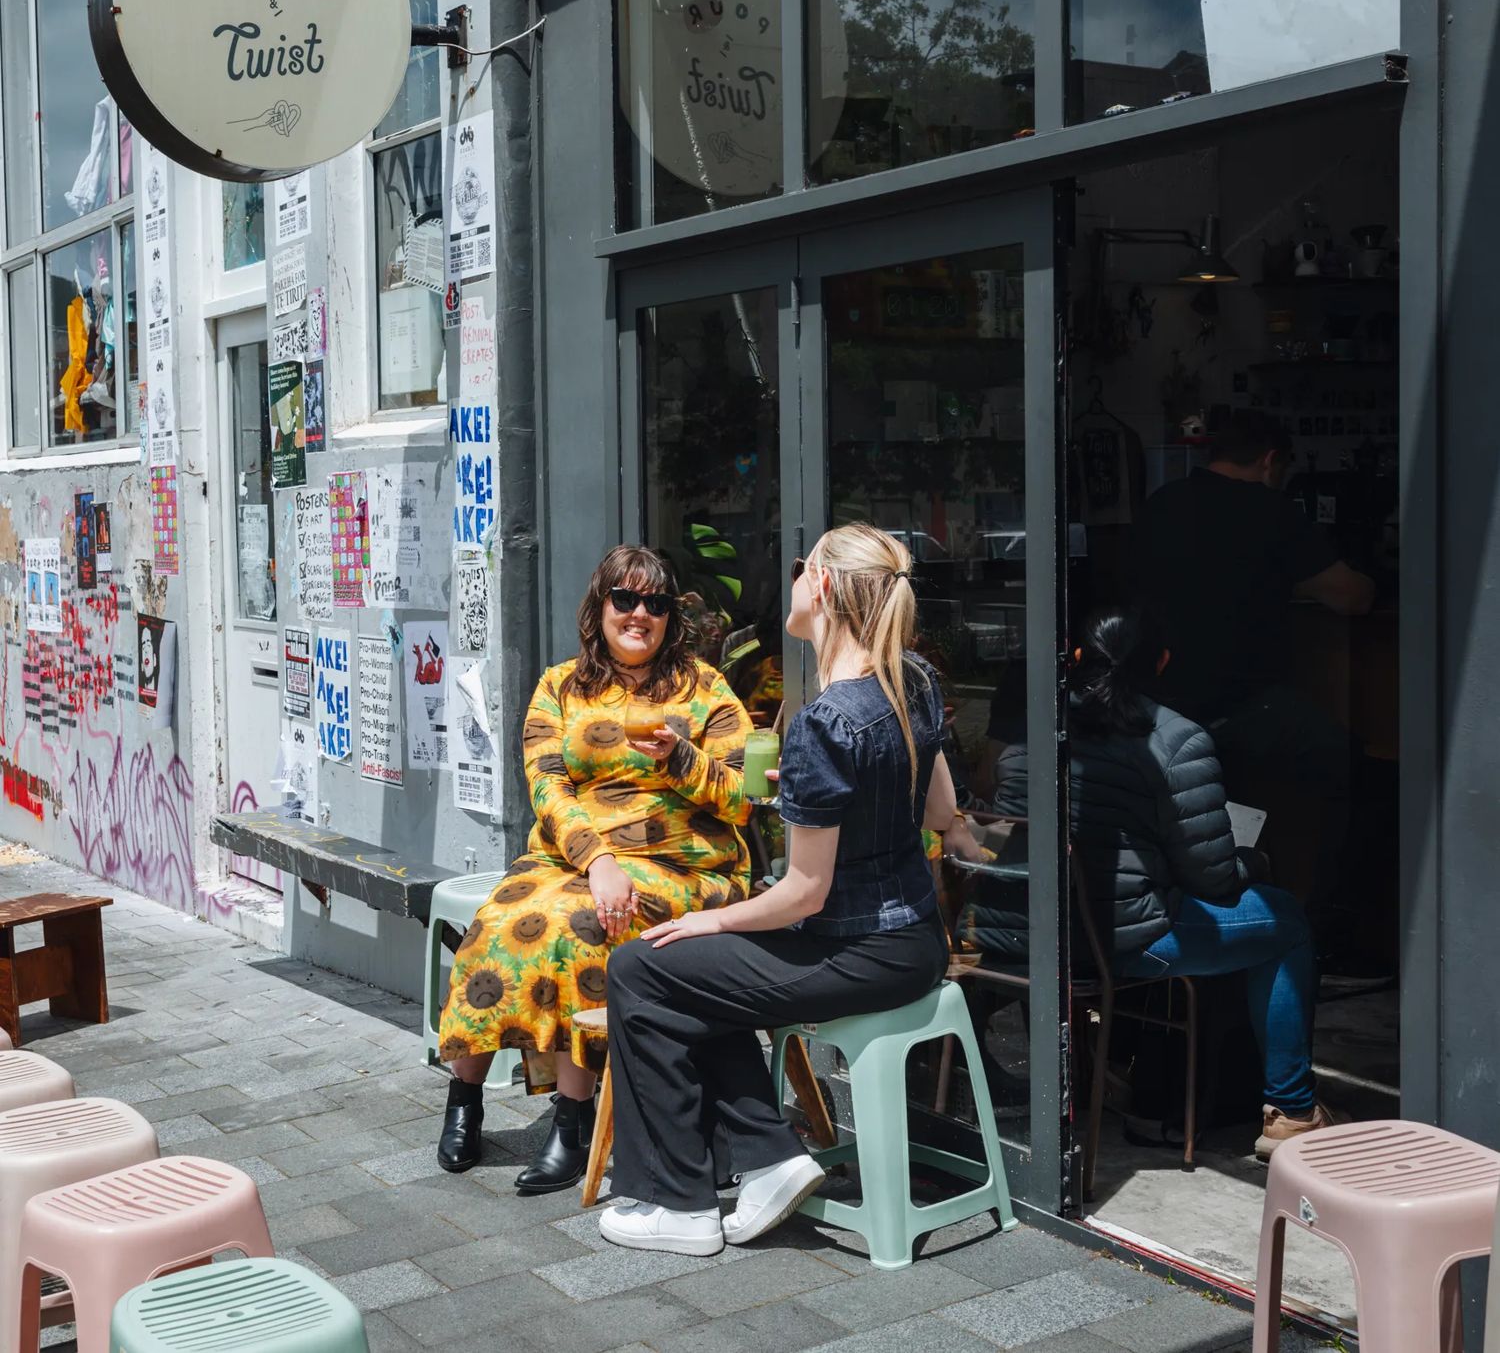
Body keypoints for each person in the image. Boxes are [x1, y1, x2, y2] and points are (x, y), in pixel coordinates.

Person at [596, 524, 956, 1258]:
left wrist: (716, 922)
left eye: (800, 567)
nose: (792, 579)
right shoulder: (911, 680)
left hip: (856, 946)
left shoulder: (824, 721)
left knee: (641, 967)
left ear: (821, 586)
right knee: (696, 975)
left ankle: (680, 1204)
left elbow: (805, 893)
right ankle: (768, 1155)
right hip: (916, 941)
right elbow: (943, 813)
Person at [950, 604, 1339, 1161]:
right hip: (1119, 947)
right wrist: (1253, 863)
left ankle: (1114, 1077)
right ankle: (1292, 1113)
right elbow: (1214, 881)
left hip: (1015, 938)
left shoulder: (1035, 727)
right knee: (1286, 923)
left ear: (1078, 656)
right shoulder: (1179, 741)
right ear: (1162, 662)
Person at [435, 546, 754, 1187]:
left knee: (582, 924)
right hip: (574, 854)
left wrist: (679, 758)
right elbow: (547, 788)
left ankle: (573, 1118)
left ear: (670, 618)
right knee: (494, 924)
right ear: (600, 607)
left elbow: (742, 799)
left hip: (684, 863)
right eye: (625, 600)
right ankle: (463, 1095)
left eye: (656, 604)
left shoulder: (706, 690)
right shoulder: (560, 686)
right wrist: (600, 858)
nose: (640, 615)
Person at [1129, 412, 1375, 917]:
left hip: (1160, 704)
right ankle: (1331, 924)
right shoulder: (1273, 513)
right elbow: (1351, 597)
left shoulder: (1162, 504)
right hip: (1240, 704)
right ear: (1269, 461)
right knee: (1356, 770)